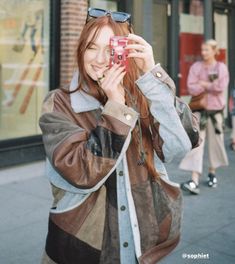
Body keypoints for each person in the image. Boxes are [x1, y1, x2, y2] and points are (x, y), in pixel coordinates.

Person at [39, 8, 197, 264]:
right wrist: (116, 108)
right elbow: (80, 171)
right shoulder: (59, 103)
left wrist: (152, 76)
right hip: (81, 245)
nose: (101, 59)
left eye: (111, 48)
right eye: (92, 47)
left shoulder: (144, 96)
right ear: (81, 50)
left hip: (142, 242)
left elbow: (179, 147)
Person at [180, 39, 229, 195]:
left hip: (216, 113)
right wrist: (209, 86)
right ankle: (194, 179)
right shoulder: (196, 67)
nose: (203, 52)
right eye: (202, 49)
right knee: (196, 143)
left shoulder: (221, 68)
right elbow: (191, 88)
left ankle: (212, 173)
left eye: (207, 50)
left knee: (217, 143)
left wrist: (203, 84)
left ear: (215, 51)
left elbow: (221, 87)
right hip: (199, 111)